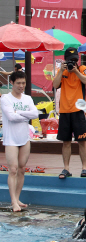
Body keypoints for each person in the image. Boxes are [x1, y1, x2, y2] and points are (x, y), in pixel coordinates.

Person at [1, 71, 38, 212]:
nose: (21, 86)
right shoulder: (6, 98)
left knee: (22, 169)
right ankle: (13, 202)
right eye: (18, 83)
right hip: (11, 138)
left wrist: (19, 114)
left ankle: (17, 198)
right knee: (13, 169)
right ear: (12, 83)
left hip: (24, 137)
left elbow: (35, 114)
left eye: (23, 83)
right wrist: (23, 115)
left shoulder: (27, 98)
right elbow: (11, 117)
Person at [52, 47, 86, 179]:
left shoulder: (82, 69)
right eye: (70, 60)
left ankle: (84, 168)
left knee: (82, 141)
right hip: (64, 111)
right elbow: (55, 84)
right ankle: (66, 168)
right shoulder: (62, 71)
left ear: (78, 60)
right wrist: (61, 71)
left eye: (74, 60)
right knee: (66, 142)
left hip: (79, 111)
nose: (72, 63)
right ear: (65, 60)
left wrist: (76, 71)